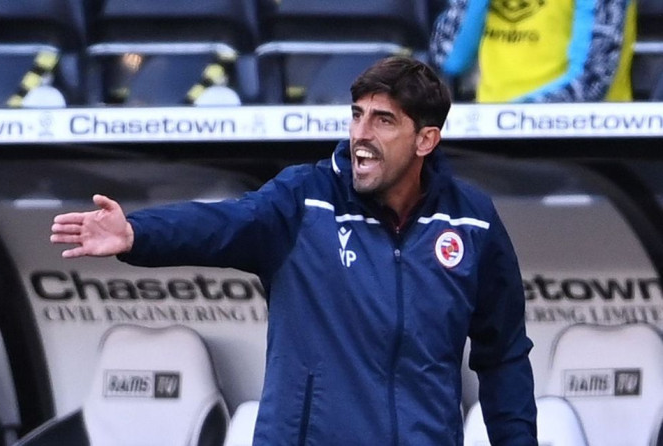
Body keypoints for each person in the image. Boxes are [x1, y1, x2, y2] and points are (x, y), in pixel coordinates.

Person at [50, 56, 537, 445]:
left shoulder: (472, 222)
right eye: (357, 115)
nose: (361, 134)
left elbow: (504, 356)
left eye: (384, 120)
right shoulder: (305, 200)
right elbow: (223, 223)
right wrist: (137, 232)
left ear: (426, 139)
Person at [430, 0, 637, 102]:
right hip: (492, 141)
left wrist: (510, 118)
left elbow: (591, 82)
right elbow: (447, 58)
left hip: (586, 143)